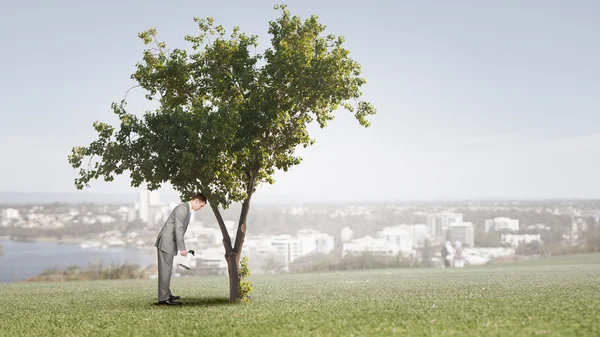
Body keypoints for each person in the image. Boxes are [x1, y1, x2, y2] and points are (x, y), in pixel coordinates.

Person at [154, 192, 207, 305]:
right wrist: (182, 248)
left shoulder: (186, 210)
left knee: (167, 270)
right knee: (165, 270)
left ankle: (167, 294)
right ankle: (163, 299)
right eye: (201, 205)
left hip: (169, 242)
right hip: (166, 242)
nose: (201, 208)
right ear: (196, 201)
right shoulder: (182, 209)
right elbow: (178, 228)